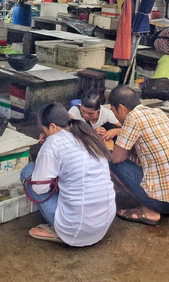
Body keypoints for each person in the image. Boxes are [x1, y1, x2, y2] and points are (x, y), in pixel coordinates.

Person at [21, 103, 115, 246]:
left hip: (76, 230)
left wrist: (46, 149)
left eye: (44, 130)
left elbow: (39, 189)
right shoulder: (88, 135)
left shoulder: (53, 142)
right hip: (103, 224)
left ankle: (59, 231)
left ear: (52, 127)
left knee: (28, 171)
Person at [108, 85, 169, 225]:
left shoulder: (133, 118)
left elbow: (117, 158)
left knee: (109, 162)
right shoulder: (157, 112)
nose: (116, 116)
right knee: (134, 157)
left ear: (121, 108)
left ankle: (150, 211)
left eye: (113, 111)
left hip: (164, 204)